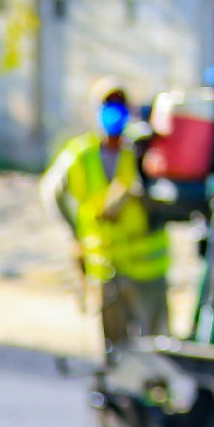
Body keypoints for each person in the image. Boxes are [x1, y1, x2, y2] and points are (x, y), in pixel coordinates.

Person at [40, 77, 170, 356]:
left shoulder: (140, 151)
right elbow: (51, 192)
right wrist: (75, 232)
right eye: (108, 106)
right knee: (116, 349)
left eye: (120, 106)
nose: (114, 113)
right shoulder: (81, 154)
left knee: (155, 347)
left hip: (146, 268)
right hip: (107, 267)